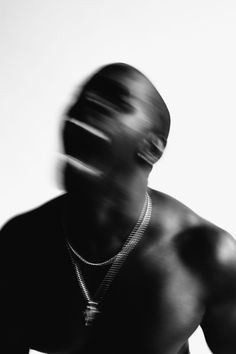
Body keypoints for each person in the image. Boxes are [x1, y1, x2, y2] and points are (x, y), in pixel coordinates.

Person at [1, 63, 236, 354]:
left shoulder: (205, 256)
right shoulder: (19, 246)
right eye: (81, 98)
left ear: (151, 148)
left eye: (114, 101)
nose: (85, 107)